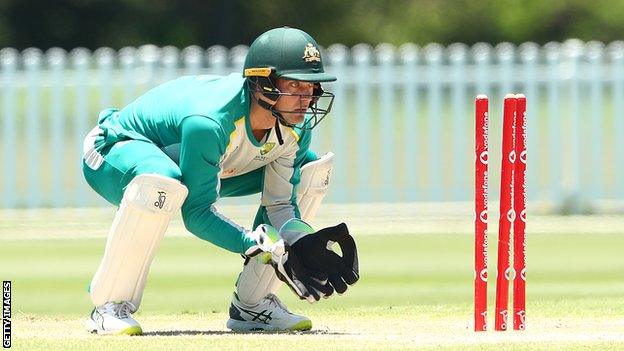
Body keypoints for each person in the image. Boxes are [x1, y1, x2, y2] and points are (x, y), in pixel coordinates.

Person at [82, 26, 358, 335]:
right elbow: (197, 214)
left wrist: (298, 242)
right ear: (263, 84)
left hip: (206, 164)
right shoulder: (211, 121)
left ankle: (252, 307)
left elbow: (280, 205)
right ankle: (108, 306)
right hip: (112, 150)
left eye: (310, 87)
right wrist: (255, 244)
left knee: (312, 168)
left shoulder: (295, 126)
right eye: (294, 85)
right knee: (162, 180)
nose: (306, 99)